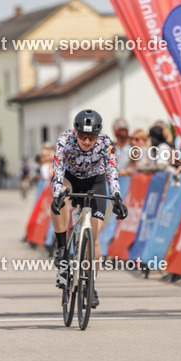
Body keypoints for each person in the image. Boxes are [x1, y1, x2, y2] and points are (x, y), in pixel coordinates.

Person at [49, 109, 127, 310]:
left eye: (91, 137)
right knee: (61, 197)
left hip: (95, 181)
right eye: (82, 136)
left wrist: (117, 196)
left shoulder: (105, 143)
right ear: (75, 132)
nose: (86, 141)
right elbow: (57, 169)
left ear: (97, 135)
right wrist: (58, 194)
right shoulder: (65, 140)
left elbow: (111, 171)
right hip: (70, 178)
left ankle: (90, 285)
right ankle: (62, 248)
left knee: (93, 234)